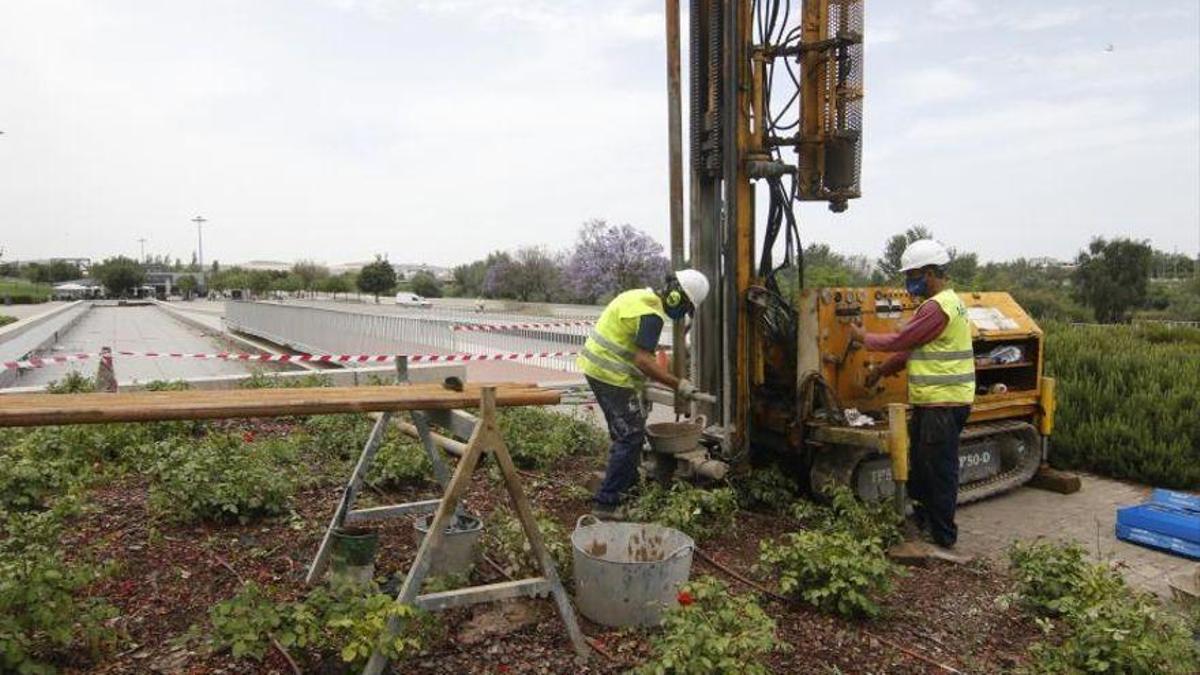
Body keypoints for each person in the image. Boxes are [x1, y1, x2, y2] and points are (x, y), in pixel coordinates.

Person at [850, 239, 975, 548]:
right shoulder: (945, 303)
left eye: (914, 275)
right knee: (921, 468)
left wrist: (863, 337)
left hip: (943, 404)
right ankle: (922, 526)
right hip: (933, 403)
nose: (909, 282)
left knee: (938, 471)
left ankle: (943, 537)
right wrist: (881, 371)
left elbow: (901, 339)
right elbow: (914, 348)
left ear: (932, 272)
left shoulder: (937, 307)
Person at [578, 269, 710, 520]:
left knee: (625, 433)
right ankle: (607, 505)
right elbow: (643, 361)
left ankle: (625, 489)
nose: (682, 313)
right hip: (608, 374)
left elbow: (639, 350)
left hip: (599, 368)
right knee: (630, 436)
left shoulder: (641, 298)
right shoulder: (651, 315)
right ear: (674, 297)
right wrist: (678, 384)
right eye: (685, 306)